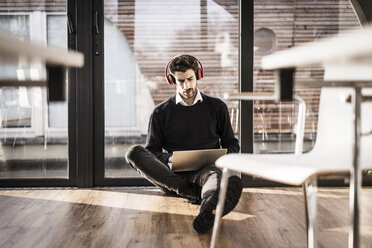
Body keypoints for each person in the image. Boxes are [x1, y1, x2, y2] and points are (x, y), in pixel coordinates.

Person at [125, 54, 242, 234]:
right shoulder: (160, 113)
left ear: (198, 76)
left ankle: (207, 211)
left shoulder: (217, 107)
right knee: (134, 152)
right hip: (172, 176)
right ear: (172, 80)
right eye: (181, 81)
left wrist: (221, 156)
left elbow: (232, 144)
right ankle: (194, 193)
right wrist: (169, 158)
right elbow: (152, 152)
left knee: (213, 176)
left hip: (206, 170)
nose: (187, 86)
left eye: (190, 79)